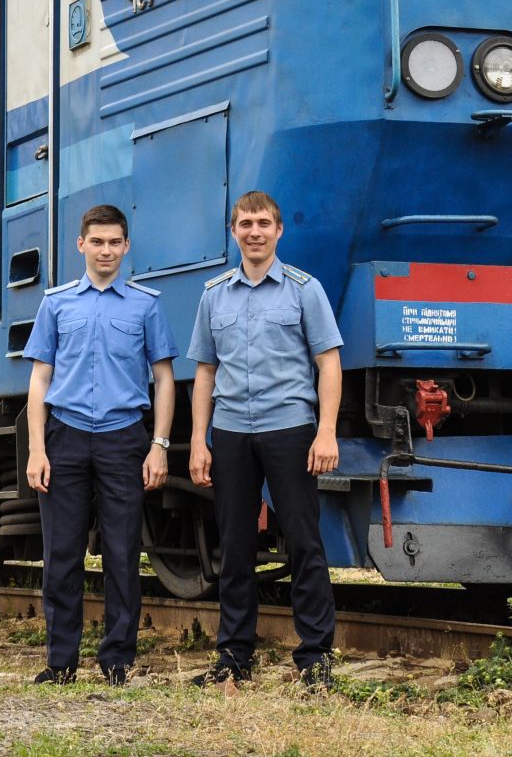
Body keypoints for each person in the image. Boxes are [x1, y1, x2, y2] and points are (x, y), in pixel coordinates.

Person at [187, 190, 342, 689]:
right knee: (234, 547)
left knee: (303, 543)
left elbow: (328, 363)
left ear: (279, 230)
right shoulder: (214, 295)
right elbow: (205, 373)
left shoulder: (304, 290)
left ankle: (315, 658)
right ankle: (234, 657)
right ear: (233, 231)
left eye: (263, 223)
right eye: (245, 223)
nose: (254, 232)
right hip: (231, 431)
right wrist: (198, 440)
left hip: (289, 428)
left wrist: (326, 431)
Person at [22, 204, 177, 686]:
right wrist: (36, 449)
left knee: (122, 553)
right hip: (64, 436)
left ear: (126, 247)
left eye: (114, 242)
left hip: (123, 437)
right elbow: (39, 379)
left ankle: (117, 662)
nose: (105, 250)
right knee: (61, 554)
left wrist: (159, 445)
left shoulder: (146, 305)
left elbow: (164, 379)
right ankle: (60, 662)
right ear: (81, 245)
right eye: (97, 242)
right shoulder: (56, 304)